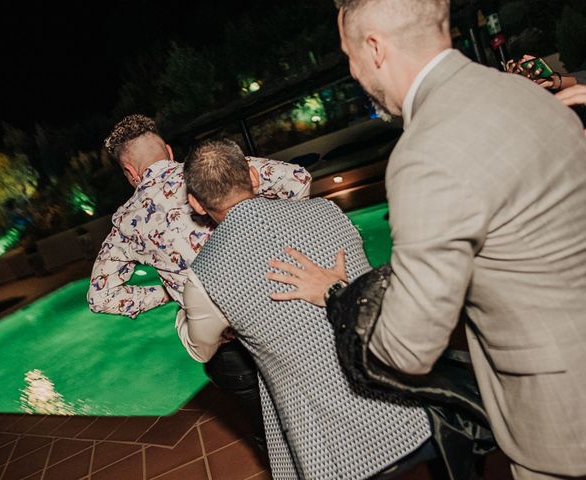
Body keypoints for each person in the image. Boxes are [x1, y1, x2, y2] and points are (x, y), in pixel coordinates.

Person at [265, 1, 586, 479]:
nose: (351, 70)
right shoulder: (528, 94)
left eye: (348, 54)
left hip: (561, 414)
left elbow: (408, 347)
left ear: (374, 49)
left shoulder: (425, 153)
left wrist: (343, 295)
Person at [179, 139, 447, 480]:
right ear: (253, 176)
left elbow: (200, 348)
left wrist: (182, 313)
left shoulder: (204, 275)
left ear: (195, 204)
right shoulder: (328, 210)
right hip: (407, 404)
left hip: (332, 447)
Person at [87, 114, 312, 449]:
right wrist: (272, 233)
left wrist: (165, 292)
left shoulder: (127, 220)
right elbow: (297, 179)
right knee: (316, 413)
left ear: (130, 173)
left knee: (275, 439)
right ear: (167, 149)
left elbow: (101, 296)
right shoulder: (211, 170)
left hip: (227, 348)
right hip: (281, 313)